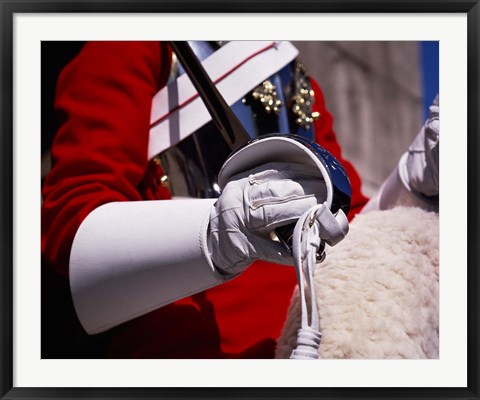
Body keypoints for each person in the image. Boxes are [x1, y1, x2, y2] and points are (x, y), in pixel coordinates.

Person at [41, 41, 437, 359]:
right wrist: (214, 236)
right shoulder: (128, 43)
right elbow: (71, 226)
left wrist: (414, 183)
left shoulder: (282, 60)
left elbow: (342, 224)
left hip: (322, 342)